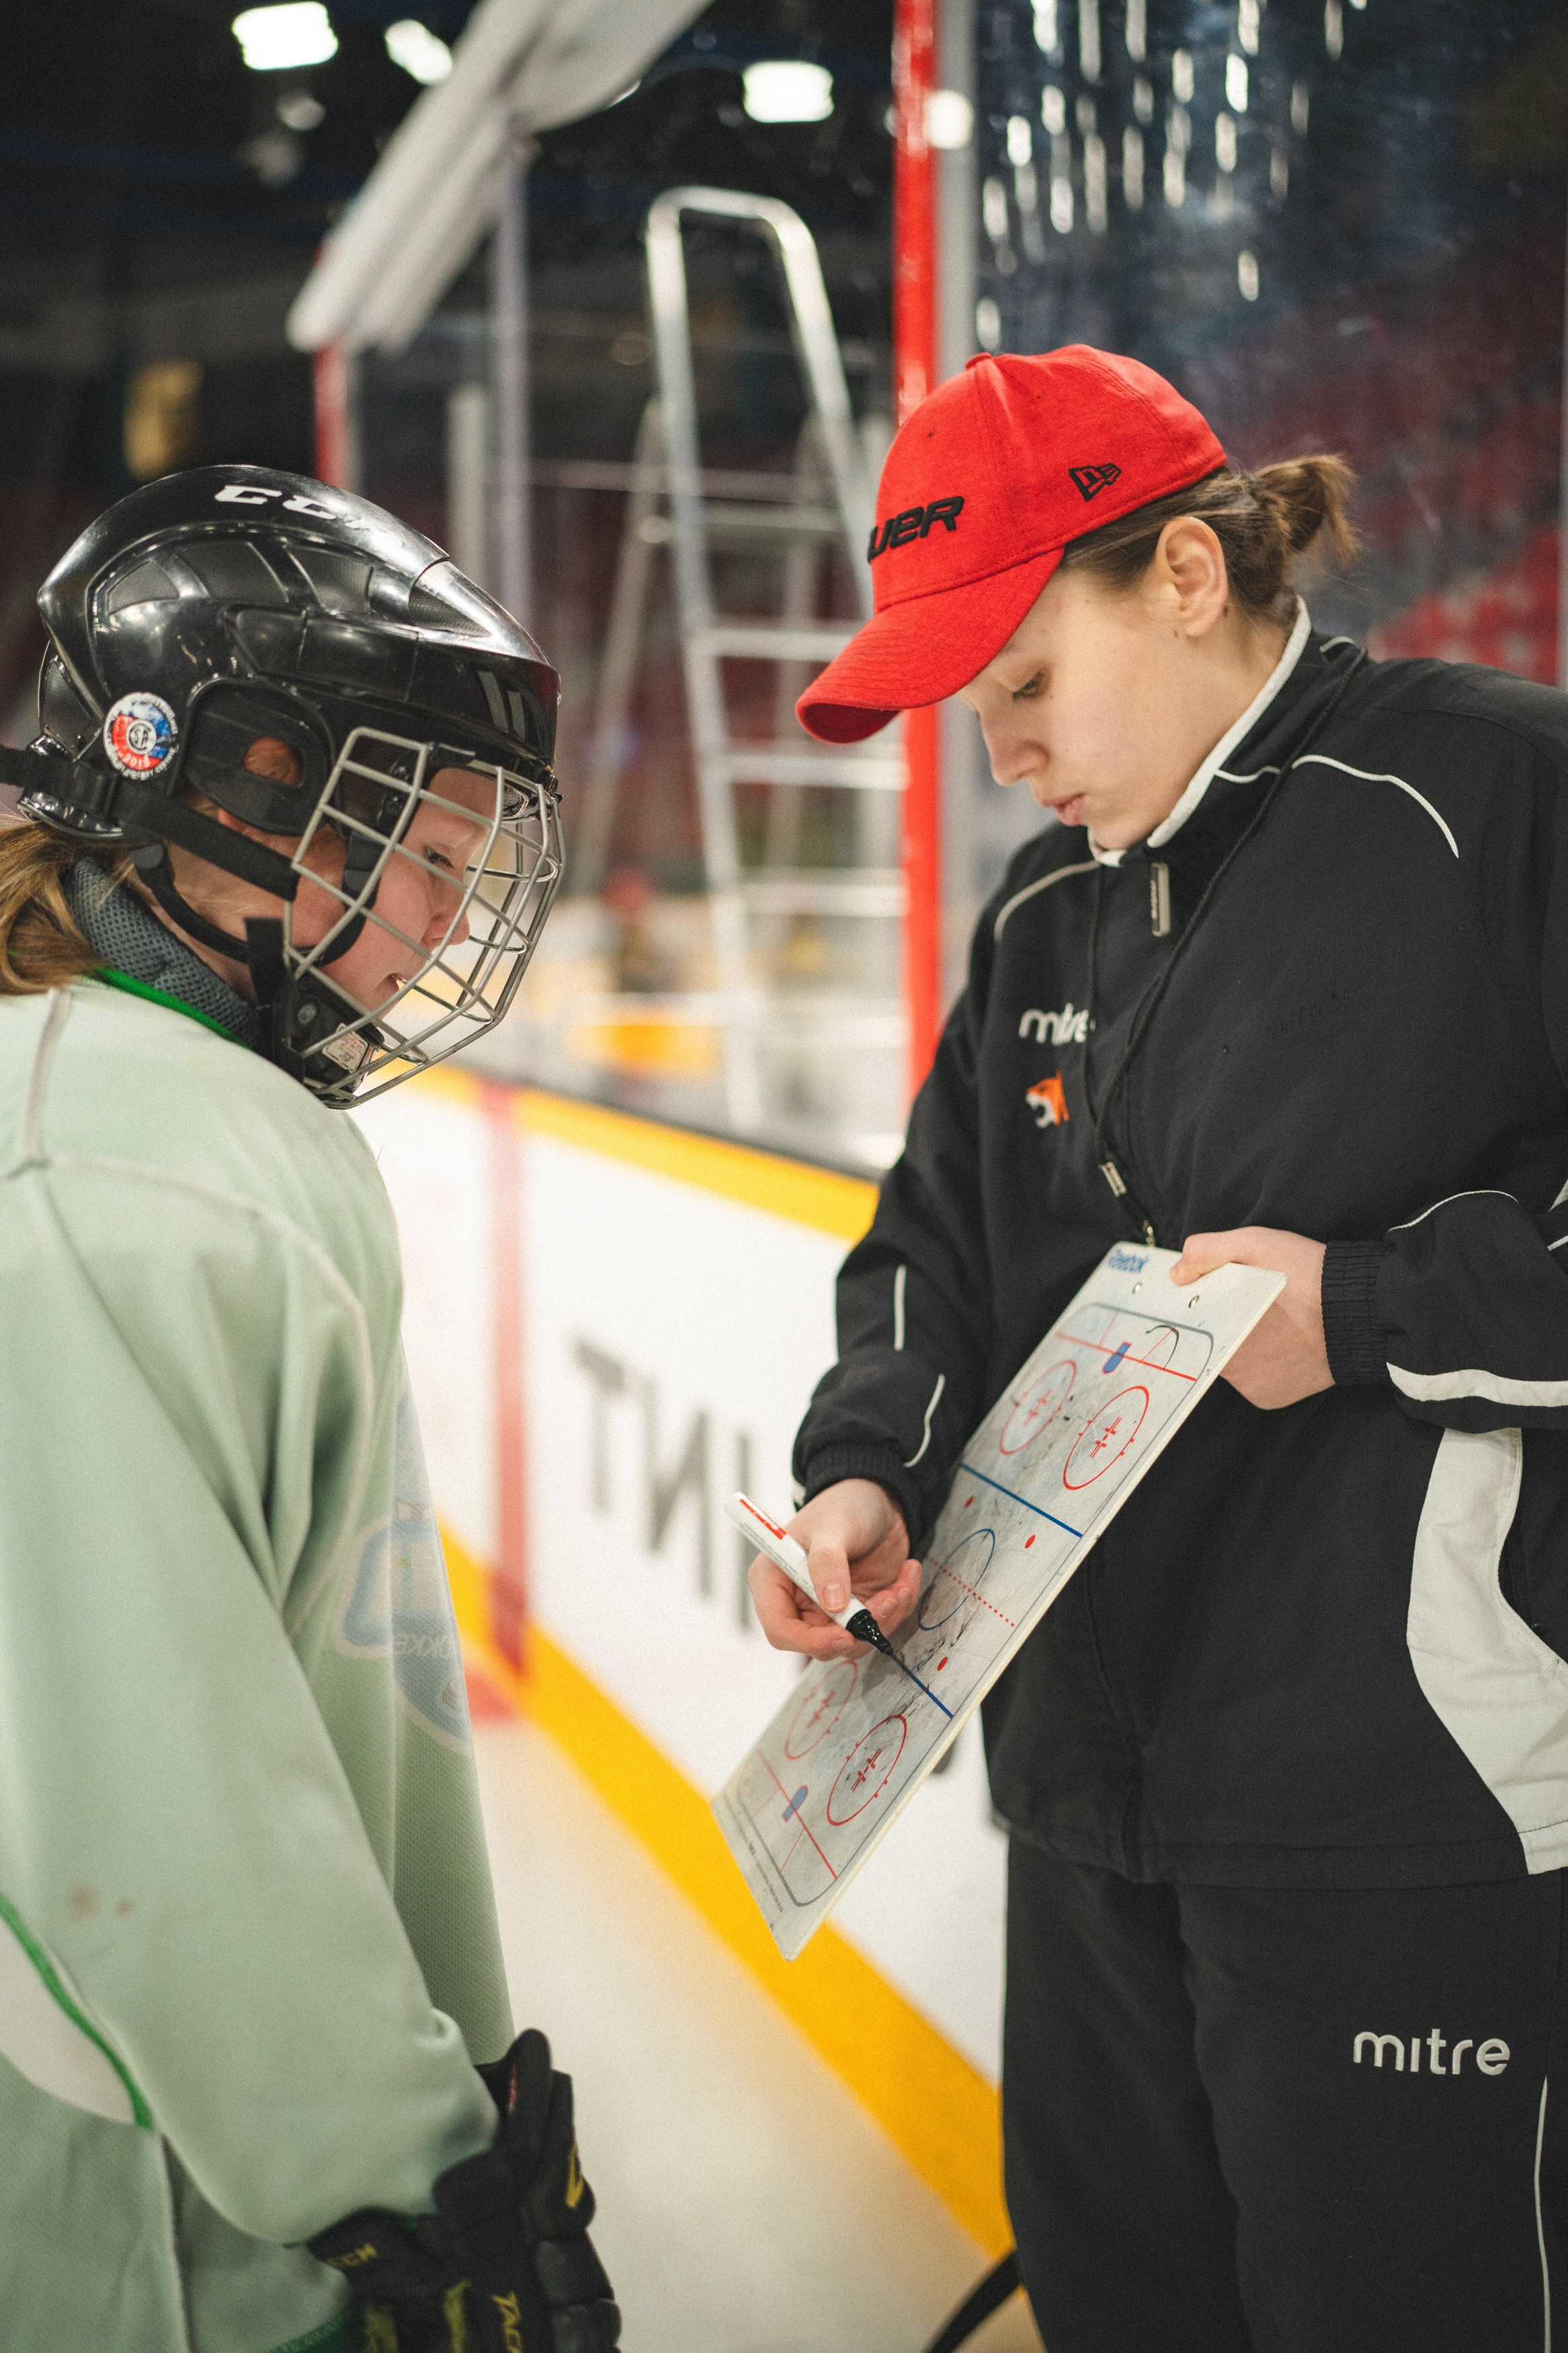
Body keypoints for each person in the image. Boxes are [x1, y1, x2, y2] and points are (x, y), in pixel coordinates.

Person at [747, 346, 1568, 2352]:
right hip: (1084, 1799)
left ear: (1188, 576)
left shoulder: (1503, 793)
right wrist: (869, 1467)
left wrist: (1366, 1311)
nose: (999, 755)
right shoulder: (1044, 913)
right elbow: (935, 1247)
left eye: (1022, 684)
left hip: (1400, 1816)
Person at [0, 465, 619, 2353]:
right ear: (237, 804)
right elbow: (142, 1816)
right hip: (160, 2239)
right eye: (420, 839)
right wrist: (415, 2192)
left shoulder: (175, 1117)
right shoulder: (97, 1184)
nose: (450, 915)